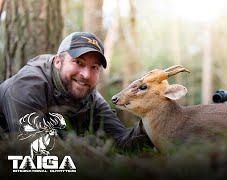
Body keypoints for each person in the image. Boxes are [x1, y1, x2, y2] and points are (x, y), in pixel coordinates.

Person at [0, 32, 153, 150]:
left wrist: (154, 120)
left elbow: (123, 142)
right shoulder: (27, 87)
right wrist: (88, 144)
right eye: (78, 62)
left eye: (94, 67)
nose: (86, 75)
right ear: (58, 61)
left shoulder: (91, 97)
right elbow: (34, 151)